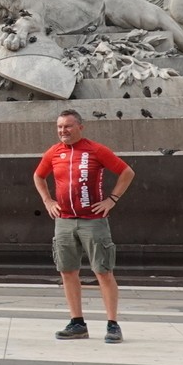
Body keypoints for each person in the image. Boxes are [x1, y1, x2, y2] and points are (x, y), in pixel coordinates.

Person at [32, 109, 134, 344]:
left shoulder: (96, 150)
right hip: (64, 221)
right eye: (59, 127)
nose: (63, 131)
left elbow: (127, 172)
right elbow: (38, 176)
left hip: (93, 221)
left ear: (80, 127)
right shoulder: (54, 152)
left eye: (67, 126)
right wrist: (48, 201)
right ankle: (77, 323)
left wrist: (112, 199)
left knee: (103, 271)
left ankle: (112, 324)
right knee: (67, 272)